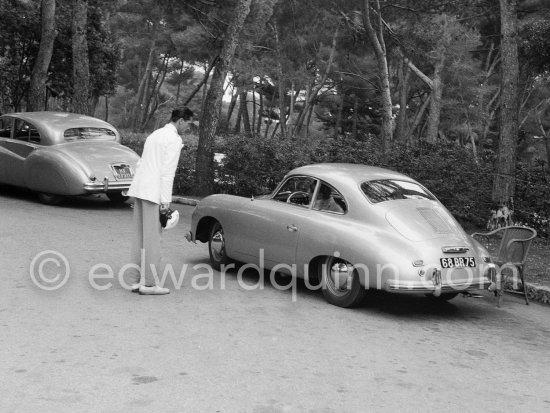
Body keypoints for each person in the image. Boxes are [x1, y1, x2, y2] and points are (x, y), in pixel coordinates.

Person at [126, 107, 194, 295]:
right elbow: (167, 173)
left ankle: (133, 280)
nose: (189, 128)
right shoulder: (174, 139)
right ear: (180, 120)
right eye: (188, 123)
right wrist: (166, 203)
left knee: (139, 237)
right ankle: (148, 284)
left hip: (140, 189)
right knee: (153, 239)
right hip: (153, 193)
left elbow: (141, 163)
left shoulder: (155, 134)